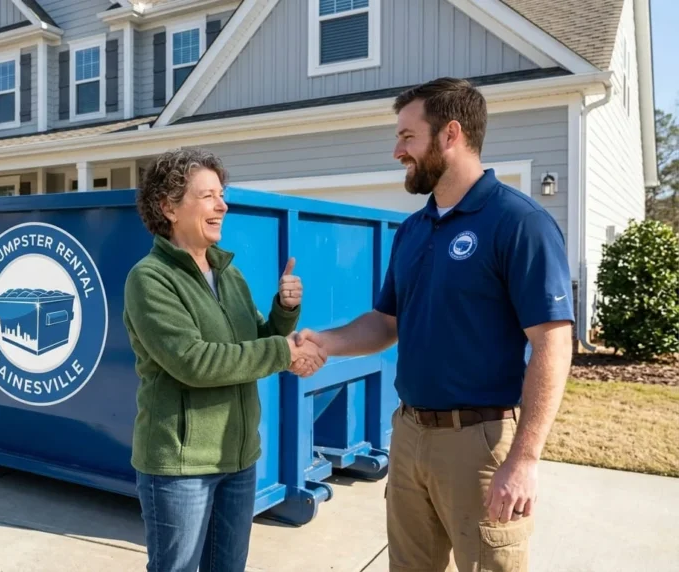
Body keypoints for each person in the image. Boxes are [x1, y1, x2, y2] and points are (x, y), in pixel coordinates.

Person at [295, 78, 574, 571]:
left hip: (479, 443)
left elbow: (553, 343)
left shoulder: (517, 222)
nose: (397, 149)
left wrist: (525, 460)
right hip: (408, 435)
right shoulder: (414, 228)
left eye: (407, 136)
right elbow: (386, 322)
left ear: (450, 135)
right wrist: (326, 342)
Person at [122, 147, 327, 572]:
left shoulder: (228, 275)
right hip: (181, 468)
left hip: (237, 458)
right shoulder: (149, 279)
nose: (223, 205)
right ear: (168, 207)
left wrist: (284, 313)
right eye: (208, 195)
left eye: (221, 194)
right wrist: (284, 351)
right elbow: (194, 362)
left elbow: (255, 346)